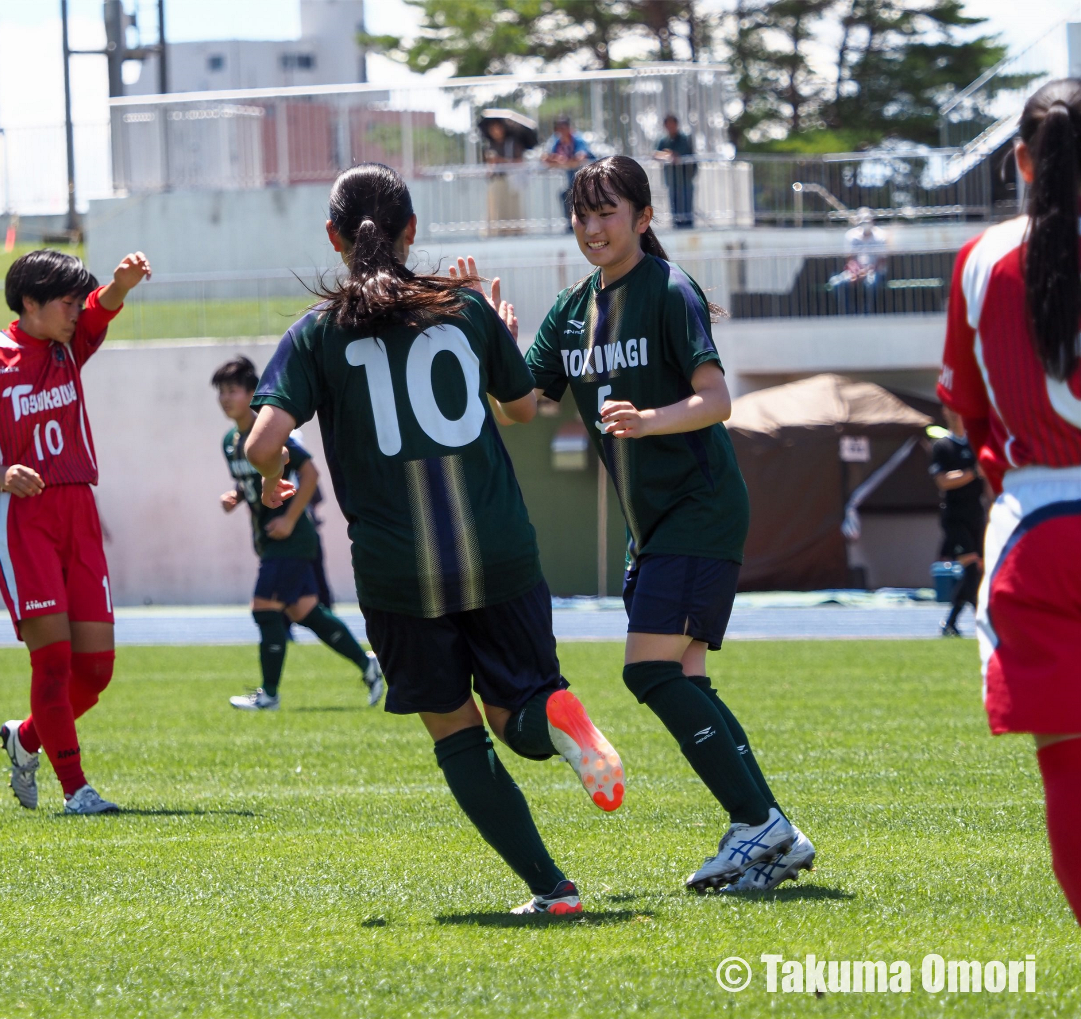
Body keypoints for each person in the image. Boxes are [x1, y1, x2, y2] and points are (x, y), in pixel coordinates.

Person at [246, 163, 625, 915]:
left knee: (456, 730)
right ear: (413, 231)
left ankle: (552, 888)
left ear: (333, 237)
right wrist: (501, 338)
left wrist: (271, 476)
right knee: (522, 708)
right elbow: (521, 411)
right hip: (499, 549)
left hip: (400, 572)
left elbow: (264, 439)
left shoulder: (315, 332)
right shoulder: (464, 308)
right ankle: (557, 713)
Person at [522, 155, 812, 893]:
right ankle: (765, 829)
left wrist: (649, 421)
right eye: (581, 214)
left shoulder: (669, 289)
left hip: (699, 504)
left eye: (607, 212)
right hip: (652, 525)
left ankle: (762, 823)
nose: (591, 227)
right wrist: (493, 335)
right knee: (684, 676)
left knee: (647, 669)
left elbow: (717, 400)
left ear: (644, 218)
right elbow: (520, 405)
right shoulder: (569, 310)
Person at [0, 248, 151, 815]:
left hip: (78, 511)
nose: (77, 309)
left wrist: (122, 285)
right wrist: (0, 473)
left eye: (80, 300)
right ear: (30, 303)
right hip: (23, 519)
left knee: (96, 671)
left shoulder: (67, 347)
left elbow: (103, 309)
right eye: (66, 301)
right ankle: (76, 789)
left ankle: (26, 737)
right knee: (51, 662)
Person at [937, 78, 1081, 924]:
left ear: (1023, 160)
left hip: (1033, 533)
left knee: (1068, 773)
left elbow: (966, 406)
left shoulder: (983, 259)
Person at [212, 355, 384, 711]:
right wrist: (237, 496)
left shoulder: (268, 431)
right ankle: (369, 664)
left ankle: (269, 695)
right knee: (307, 612)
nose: (226, 398)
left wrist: (290, 519)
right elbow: (254, 481)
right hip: (268, 539)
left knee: (264, 608)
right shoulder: (230, 441)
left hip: (292, 537)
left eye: (233, 390)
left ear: (251, 393)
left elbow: (310, 474)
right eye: (221, 392)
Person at [929, 408, 986, 637]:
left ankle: (952, 623)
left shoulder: (975, 444)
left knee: (978, 570)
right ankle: (980, 619)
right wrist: (972, 472)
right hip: (955, 515)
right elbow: (943, 481)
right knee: (971, 567)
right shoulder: (942, 446)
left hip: (976, 513)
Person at [830, 208, 889, 314]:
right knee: (836, 283)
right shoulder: (851, 235)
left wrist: (867, 271)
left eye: (868, 220)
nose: (865, 223)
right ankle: (849, 313)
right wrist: (856, 272)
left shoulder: (880, 236)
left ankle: (868, 313)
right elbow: (849, 258)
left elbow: (881, 260)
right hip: (855, 270)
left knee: (871, 284)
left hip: (874, 271)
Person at [542, 115, 593, 232]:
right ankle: (572, 225)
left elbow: (580, 157)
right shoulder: (556, 140)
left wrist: (563, 160)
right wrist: (561, 160)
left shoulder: (578, 139)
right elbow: (546, 157)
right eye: (559, 129)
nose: (561, 132)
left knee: (581, 196)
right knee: (566, 195)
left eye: (563, 128)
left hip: (588, 178)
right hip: (573, 180)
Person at [653, 114, 696, 229]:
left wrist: (669, 154)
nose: (670, 127)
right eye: (668, 125)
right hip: (672, 181)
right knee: (675, 210)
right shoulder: (664, 140)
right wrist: (667, 154)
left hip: (685, 180)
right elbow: (656, 154)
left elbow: (677, 155)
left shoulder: (684, 139)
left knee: (686, 210)